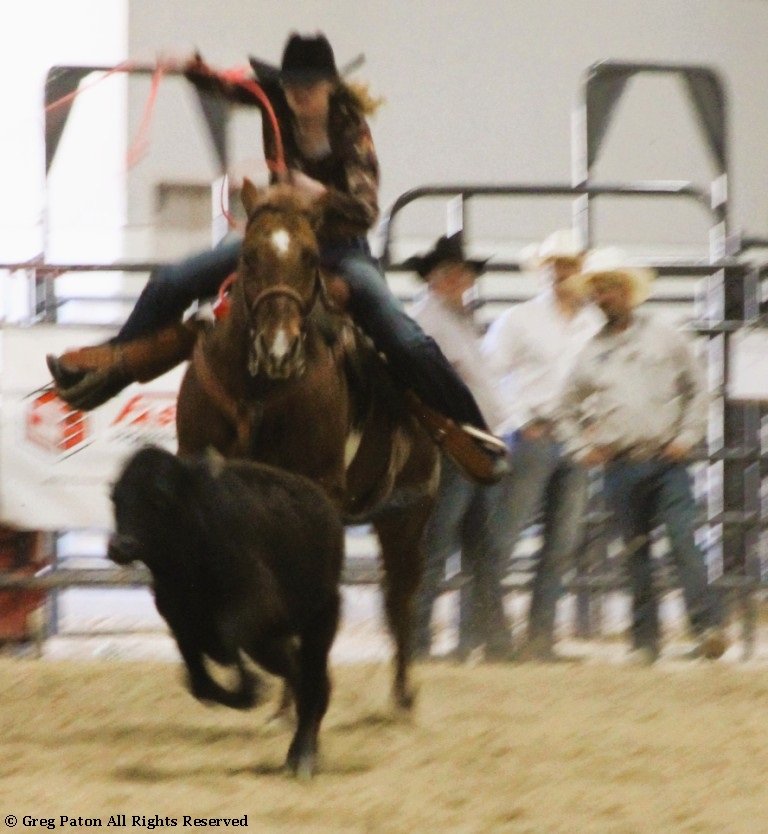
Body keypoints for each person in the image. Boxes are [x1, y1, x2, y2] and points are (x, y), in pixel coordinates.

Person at [45, 32, 507, 484]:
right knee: (173, 280)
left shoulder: (351, 130)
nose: (299, 94)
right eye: (292, 86)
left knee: (403, 337)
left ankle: (469, 427)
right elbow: (226, 86)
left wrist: (320, 194)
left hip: (339, 249)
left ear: (329, 88)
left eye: (309, 86)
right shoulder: (275, 101)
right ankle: (115, 362)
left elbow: (365, 211)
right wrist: (191, 63)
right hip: (277, 237)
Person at [557, 247, 728, 665]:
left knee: (683, 541)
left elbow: (698, 388)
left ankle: (706, 627)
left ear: (628, 292)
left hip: (667, 459)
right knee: (636, 553)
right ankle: (645, 640)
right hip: (620, 462)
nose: (604, 297)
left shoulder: (666, 336)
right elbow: (565, 407)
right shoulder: (590, 352)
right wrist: (581, 447)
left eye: (611, 288)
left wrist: (687, 436)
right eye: (598, 290)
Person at [481, 229, 603, 662]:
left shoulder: (593, 323)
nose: (560, 273)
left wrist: (597, 426)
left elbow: (602, 382)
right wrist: (519, 420)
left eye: (567, 265)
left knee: (560, 544)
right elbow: (489, 373)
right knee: (505, 539)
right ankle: (495, 638)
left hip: (574, 440)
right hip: (531, 435)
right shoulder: (519, 320)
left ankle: (539, 639)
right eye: (553, 266)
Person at [407, 233, 514, 661]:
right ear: (433, 279)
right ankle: (417, 640)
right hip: (454, 444)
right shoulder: (428, 322)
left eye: (463, 274)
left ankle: (494, 640)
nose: (459, 280)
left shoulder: (453, 319)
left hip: (474, 442)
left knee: (476, 546)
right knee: (441, 544)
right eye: (449, 274)